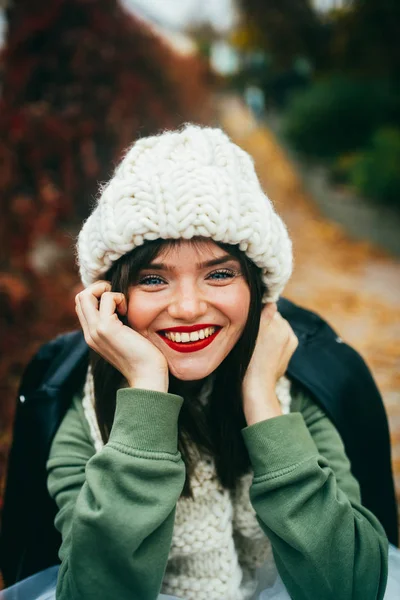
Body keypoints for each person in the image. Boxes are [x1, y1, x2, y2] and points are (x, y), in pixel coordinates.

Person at [2, 125, 400, 600]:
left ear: (257, 288)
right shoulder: (85, 410)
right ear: (112, 296)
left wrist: (262, 403)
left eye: (219, 273)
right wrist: (146, 395)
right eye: (153, 278)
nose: (189, 307)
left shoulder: (296, 391)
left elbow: (353, 587)